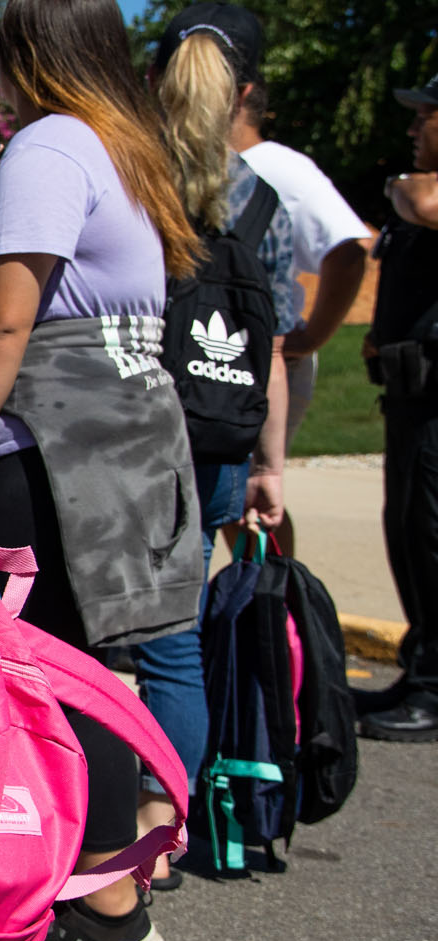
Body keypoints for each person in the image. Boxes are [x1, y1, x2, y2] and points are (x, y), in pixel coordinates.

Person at [0, 0, 204, 941]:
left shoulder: (49, 147)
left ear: (24, 51)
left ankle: (102, 901)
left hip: (45, 447)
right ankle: (107, 882)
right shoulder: (115, 148)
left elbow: (2, 320)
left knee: (52, 669)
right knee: (84, 669)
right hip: (119, 437)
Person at [123, 9, 306, 886]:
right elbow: (267, 344)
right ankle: (164, 823)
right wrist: (269, 465)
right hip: (222, 443)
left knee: (100, 641)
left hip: (134, 440)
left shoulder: (131, 178)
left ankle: (96, 817)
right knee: (176, 643)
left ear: (158, 82)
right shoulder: (264, 199)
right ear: (243, 94)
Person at [217, 4, 372, 551]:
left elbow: (349, 249)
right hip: (224, 353)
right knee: (232, 502)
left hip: (264, 359)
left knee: (249, 500)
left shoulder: (278, 167)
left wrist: (312, 337)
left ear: (241, 95)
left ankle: (274, 614)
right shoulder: (207, 164)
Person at [359, 73, 438, 741]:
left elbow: (423, 199)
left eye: (426, 116)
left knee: (433, 538)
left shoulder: (421, 191)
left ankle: (435, 689)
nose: (413, 128)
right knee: (411, 536)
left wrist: (398, 189)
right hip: (411, 399)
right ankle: (422, 673)